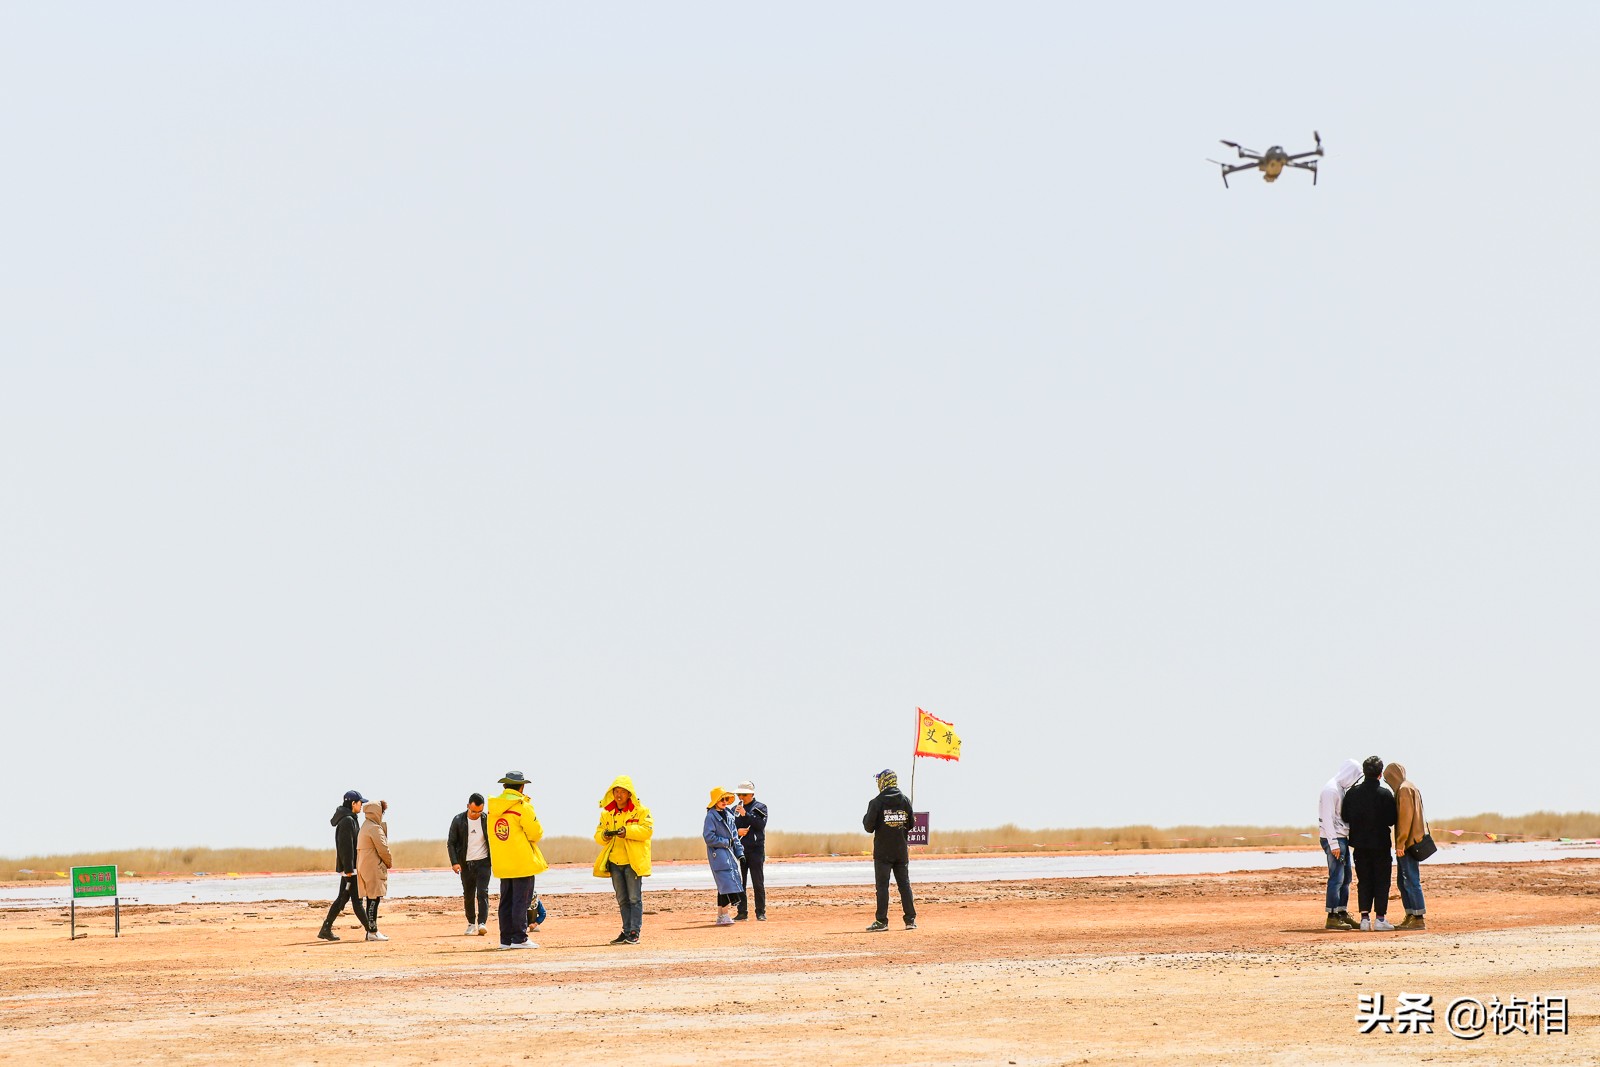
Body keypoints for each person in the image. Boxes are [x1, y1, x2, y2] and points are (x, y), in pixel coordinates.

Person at [486, 771, 548, 950]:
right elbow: (536, 833)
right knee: (521, 900)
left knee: (506, 901)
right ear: (521, 787)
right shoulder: (522, 806)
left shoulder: (493, 808)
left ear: (505, 787)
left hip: (502, 861)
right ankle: (519, 938)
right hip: (522, 861)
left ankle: (505, 940)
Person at [593, 775, 653, 945]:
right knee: (622, 899)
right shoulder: (607, 813)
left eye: (622, 792)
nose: (619, 795)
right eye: (616, 791)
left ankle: (634, 932)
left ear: (629, 794)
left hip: (632, 862)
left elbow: (647, 831)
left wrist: (626, 831)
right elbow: (597, 834)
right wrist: (604, 835)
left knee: (635, 898)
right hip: (614, 862)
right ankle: (626, 931)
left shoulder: (641, 811)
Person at [1342, 755, 1398, 931]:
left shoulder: (1352, 793)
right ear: (1380, 774)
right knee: (1382, 881)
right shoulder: (1385, 794)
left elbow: (1345, 816)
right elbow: (1391, 820)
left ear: (1364, 773)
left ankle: (1364, 919)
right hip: (1381, 845)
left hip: (1360, 845)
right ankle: (1380, 919)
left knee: (1364, 881)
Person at [862, 769, 916, 931]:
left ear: (883, 782)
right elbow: (911, 824)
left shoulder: (876, 802)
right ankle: (910, 920)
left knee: (882, 887)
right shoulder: (905, 800)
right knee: (904, 885)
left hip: (882, 853)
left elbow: (868, 827)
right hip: (900, 851)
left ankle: (882, 922)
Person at [318, 790, 373, 942]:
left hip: (351, 869)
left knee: (342, 899)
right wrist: (349, 870)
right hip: (350, 870)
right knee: (356, 902)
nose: (362, 805)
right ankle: (371, 931)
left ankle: (326, 928)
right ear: (353, 803)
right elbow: (345, 847)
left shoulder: (350, 819)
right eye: (360, 802)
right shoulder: (347, 820)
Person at [1318, 759, 1363, 930]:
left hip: (1341, 838)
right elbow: (1327, 819)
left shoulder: (1340, 789)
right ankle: (1332, 916)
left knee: (1346, 878)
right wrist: (1334, 844)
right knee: (1336, 878)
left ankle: (1342, 912)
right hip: (1334, 839)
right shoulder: (1331, 790)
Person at [1383, 761, 1429, 929]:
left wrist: (1400, 843)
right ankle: (1411, 914)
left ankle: (1417, 917)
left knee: (1410, 880)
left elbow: (1405, 819)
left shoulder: (1403, 790)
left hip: (1408, 843)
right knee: (1405, 881)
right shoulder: (1411, 787)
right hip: (1413, 840)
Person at [448, 793, 492, 936]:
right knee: (468, 894)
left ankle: (482, 923)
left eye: (479, 811)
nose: (476, 814)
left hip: (484, 862)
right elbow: (451, 843)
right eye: (473, 811)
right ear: (468, 806)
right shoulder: (458, 820)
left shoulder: (487, 820)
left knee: (482, 893)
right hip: (465, 864)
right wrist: (455, 862)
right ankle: (471, 923)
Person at [703, 787, 746, 926]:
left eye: (726, 799)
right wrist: (726, 842)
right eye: (721, 799)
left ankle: (721, 915)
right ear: (715, 800)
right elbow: (708, 837)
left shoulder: (729, 815)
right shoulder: (711, 816)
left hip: (730, 855)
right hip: (718, 855)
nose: (724, 802)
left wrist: (740, 854)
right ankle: (724, 915)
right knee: (726, 885)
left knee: (724, 886)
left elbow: (735, 837)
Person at [356, 794, 393, 941]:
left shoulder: (365, 826)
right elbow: (383, 849)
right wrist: (389, 862)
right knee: (374, 899)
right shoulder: (374, 828)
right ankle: (372, 931)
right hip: (373, 866)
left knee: (371, 897)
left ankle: (371, 931)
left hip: (365, 866)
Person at [733, 779, 768, 921]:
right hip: (740, 851)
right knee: (740, 882)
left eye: (744, 795)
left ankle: (760, 912)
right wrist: (737, 831)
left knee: (757, 882)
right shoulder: (734, 810)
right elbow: (729, 828)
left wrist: (745, 814)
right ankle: (742, 912)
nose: (741, 798)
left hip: (756, 850)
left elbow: (760, 825)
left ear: (752, 794)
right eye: (739, 795)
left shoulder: (761, 807)